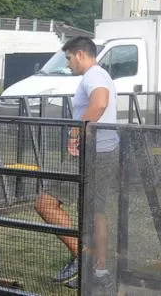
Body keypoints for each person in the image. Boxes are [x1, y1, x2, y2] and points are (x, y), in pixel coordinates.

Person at [35, 36, 118, 289]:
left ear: (80, 54)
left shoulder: (93, 75)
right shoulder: (100, 74)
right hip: (105, 150)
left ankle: (83, 256)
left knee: (44, 203)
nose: (68, 63)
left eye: (69, 58)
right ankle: (100, 270)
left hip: (90, 153)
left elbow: (100, 102)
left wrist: (76, 132)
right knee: (97, 212)